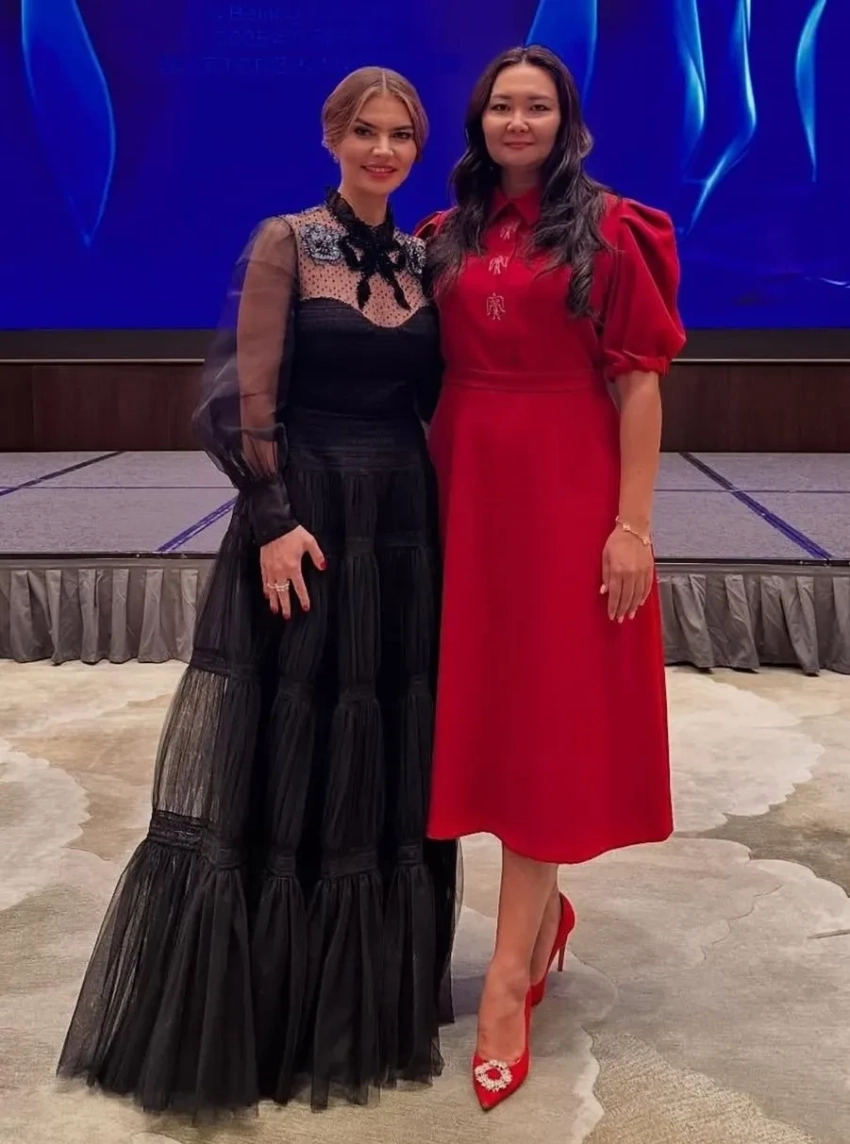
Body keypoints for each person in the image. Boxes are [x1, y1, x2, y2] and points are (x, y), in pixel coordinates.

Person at [57, 66, 457, 1115]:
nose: (383, 150)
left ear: (418, 147)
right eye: (365, 131)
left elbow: (443, 398)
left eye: (401, 134)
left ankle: (365, 994)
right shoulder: (285, 240)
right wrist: (273, 522)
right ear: (332, 137)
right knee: (290, 739)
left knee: (383, 742)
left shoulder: (426, 258)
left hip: (401, 523)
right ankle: (272, 1002)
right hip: (306, 514)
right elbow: (242, 397)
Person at [417, 45, 686, 1110]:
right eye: (501, 106)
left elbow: (639, 383)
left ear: (565, 122)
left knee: (543, 720)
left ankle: (507, 979)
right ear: (479, 120)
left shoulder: (614, 230)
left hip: (567, 492)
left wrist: (631, 527)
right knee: (487, 714)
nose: (517, 122)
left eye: (536, 106)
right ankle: (543, 921)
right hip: (462, 487)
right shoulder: (444, 234)